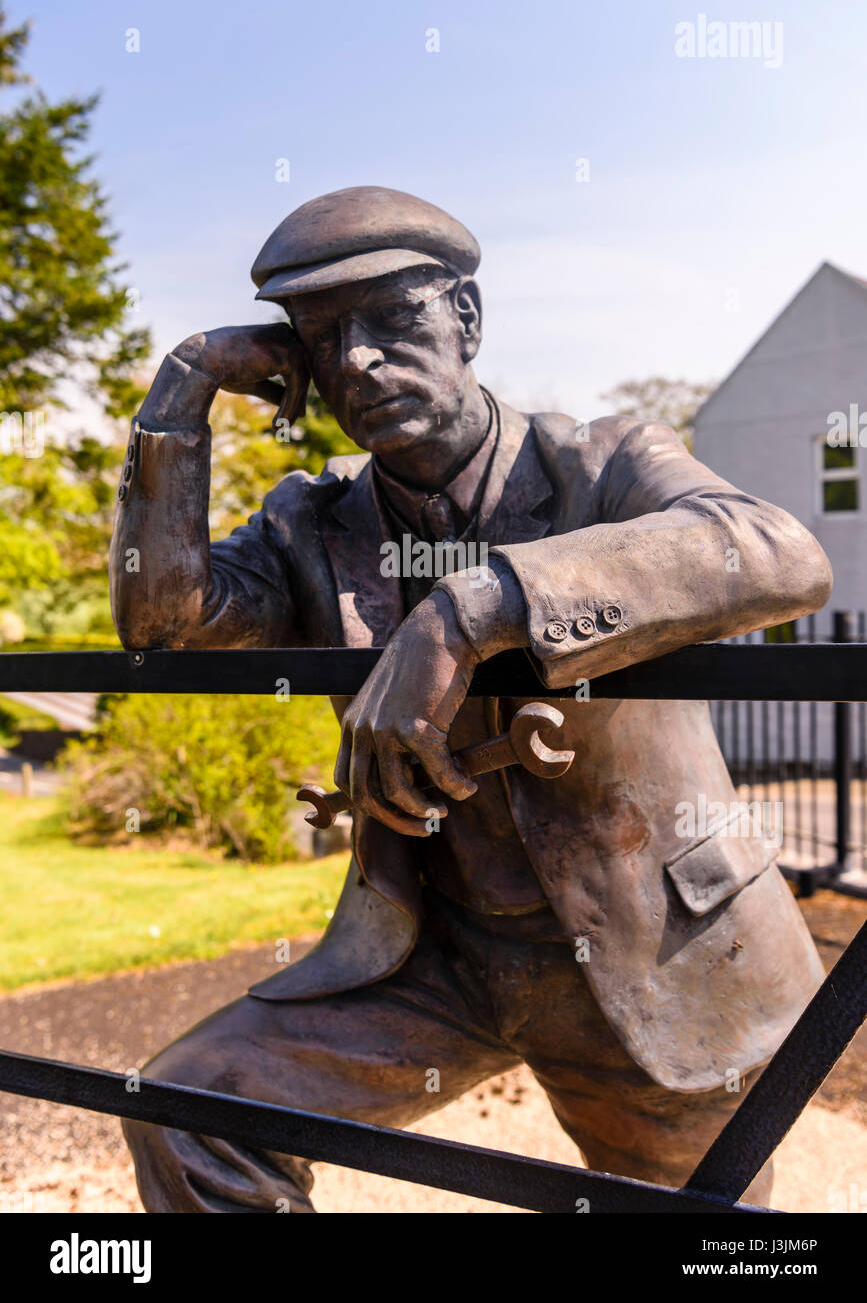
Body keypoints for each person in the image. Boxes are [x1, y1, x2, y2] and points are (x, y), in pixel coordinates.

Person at [112, 186, 831, 1212]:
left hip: (648, 955)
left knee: (706, 1234)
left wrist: (477, 603)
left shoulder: (605, 464)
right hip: (431, 959)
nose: (358, 362)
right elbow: (161, 620)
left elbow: (780, 552)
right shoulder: (308, 522)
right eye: (323, 340)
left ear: (469, 322)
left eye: (395, 322)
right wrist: (182, 390)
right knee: (189, 1112)